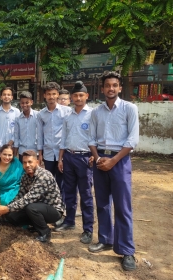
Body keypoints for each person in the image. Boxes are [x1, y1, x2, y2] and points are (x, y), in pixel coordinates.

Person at [88, 71, 139, 271]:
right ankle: (105, 239)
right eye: (107, 85)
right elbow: (91, 139)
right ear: (102, 89)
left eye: (114, 85)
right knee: (102, 204)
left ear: (119, 87)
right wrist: (99, 159)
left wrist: (114, 161)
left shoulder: (129, 109)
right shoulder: (96, 112)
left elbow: (132, 140)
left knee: (123, 207)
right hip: (100, 161)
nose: (111, 88)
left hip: (120, 161)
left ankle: (127, 250)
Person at [0, 150, 64, 243]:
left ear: (37, 162)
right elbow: (20, 195)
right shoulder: (25, 176)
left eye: (30, 162)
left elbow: (29, 198)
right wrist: (6, 209)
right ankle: (35, 226)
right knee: (12, 216)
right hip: (37, 207)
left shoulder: (44, 176)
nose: (27, 165)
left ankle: (45, 232)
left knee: (31, 207)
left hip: (53, 210)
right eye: (25, 162)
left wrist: (7, 208)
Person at [55, 81, 94, 245]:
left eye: (81, 95)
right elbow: (64, 138)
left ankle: (88, 229)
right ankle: (69, 221)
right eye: (75, 95)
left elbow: (97, 137)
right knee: (69, 192)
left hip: (85, 158)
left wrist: (94, 154)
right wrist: (61, 158)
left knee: (85, 195)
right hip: (69, 158)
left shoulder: (93, 115)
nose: (78, 98)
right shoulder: (68, 116)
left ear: (86, 96)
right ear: (71, 98)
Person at [37, 82, 71, 202]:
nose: (51, 97)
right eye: (48, 94)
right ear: (44, 96)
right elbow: (40, 135)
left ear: (58, 95)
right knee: (50, 181)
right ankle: (52, 206)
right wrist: (40, 154)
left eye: (54, 94)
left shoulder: (67, 111)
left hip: (63, 152)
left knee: (63, 181)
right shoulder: (41, 114)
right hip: (48, 153)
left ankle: (63, 206)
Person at [0, 87, 20, 158]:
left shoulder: (16, 112)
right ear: (1, 97)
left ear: (12, 97)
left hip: (12, 147)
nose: (6, 96)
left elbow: (18, 129)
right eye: (4, 94)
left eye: (8, 94)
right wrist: (0, 144)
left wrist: (12, 141)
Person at [13, 91, 38, 162]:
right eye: (22, 103)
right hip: (22, 152)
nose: (24, 105)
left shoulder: (38, 116)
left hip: (35, 152)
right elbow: (16, 136)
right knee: (23, 172)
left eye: (27, 102)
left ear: (31, 102)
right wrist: (15, 154)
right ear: (20, 103)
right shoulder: (18, 118)